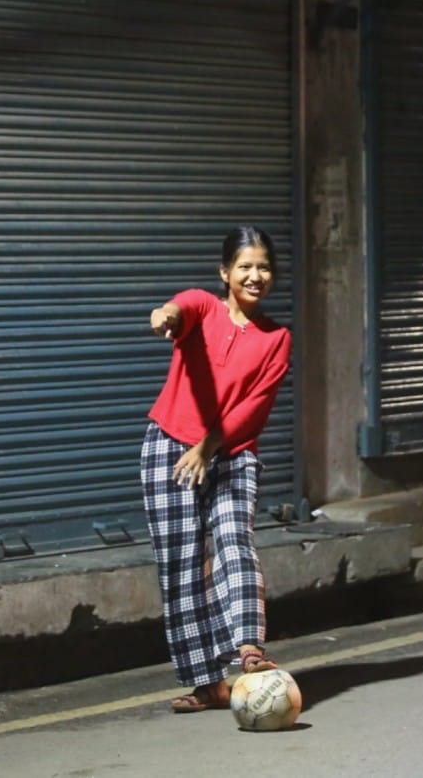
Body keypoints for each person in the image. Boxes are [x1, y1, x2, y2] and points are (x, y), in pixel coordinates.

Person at [142, 225, 292, 712]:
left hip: (231, 452)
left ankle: (249, 649)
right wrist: (165, 316)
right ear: (225, 272)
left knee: (233, 537)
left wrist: (208, 447)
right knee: (181, 563)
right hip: (169, 446)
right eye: (245, 267)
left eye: (264, 268)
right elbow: (180, 306)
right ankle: (207, 683)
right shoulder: (204, 309)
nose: (255, 276)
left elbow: (254, 409)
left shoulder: (277, 338)